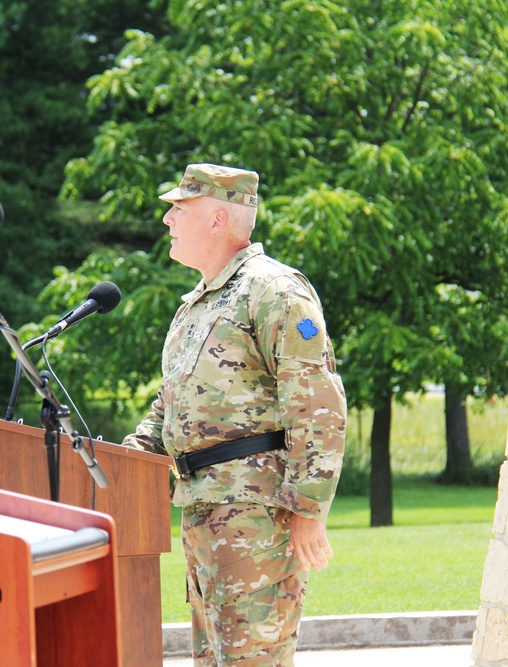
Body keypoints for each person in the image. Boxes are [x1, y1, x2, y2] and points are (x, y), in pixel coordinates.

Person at [122, 163, 347, 666]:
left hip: (255, 512)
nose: (167, 220)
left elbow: (318, 405)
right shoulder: (198, 303)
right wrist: (117, 464)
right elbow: (171, 408)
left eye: (179, 208)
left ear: (218, 219)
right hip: (204, 507)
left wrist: (308, 509)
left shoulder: (274, 291)